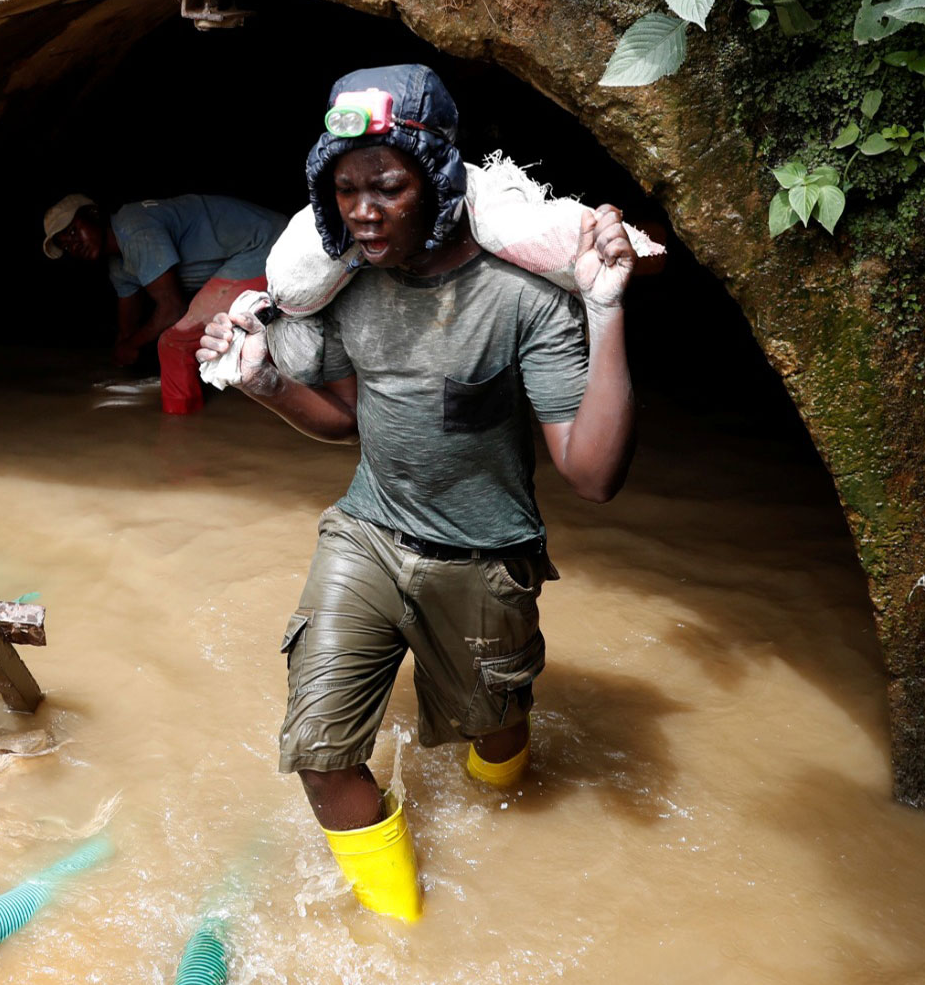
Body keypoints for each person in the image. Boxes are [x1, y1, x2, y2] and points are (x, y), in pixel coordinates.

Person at [195, 64, 638, 922]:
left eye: (387, 187)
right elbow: (343, 424)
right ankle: (405, 935)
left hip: (484, 558)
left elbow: (593, 475)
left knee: (497, 741)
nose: (363, 210)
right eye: (346, 189)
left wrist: (607, 311)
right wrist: (262, 382)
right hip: (364, 533)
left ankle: (508, 807)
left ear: (435, 179)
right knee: (319, 754)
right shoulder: (345, 284)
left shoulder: (525, 301)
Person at [42, 193, 287, 414]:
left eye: (74, 232)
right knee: (242, 344)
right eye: (65, 244)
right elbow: (127, 330)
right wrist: (118, 365)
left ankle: (179, 431)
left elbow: (173, 309)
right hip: (251, 252)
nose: (73, 245)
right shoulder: (118, 263)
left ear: (94, 215)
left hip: (266, 246)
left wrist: (132, 344)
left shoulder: (134, 229)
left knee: (174, 344)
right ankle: (272, 410)